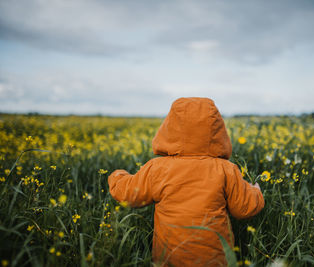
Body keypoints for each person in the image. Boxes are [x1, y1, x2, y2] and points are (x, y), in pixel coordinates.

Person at [108, 97, 264, 266]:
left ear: (169, 128)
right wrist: (255, 191)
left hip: (169, 259)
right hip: (215, 260)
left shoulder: (157, 168)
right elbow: (244, 208)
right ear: (217, 131)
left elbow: (128, 194)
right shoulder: (226, 169)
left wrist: (118, 176)